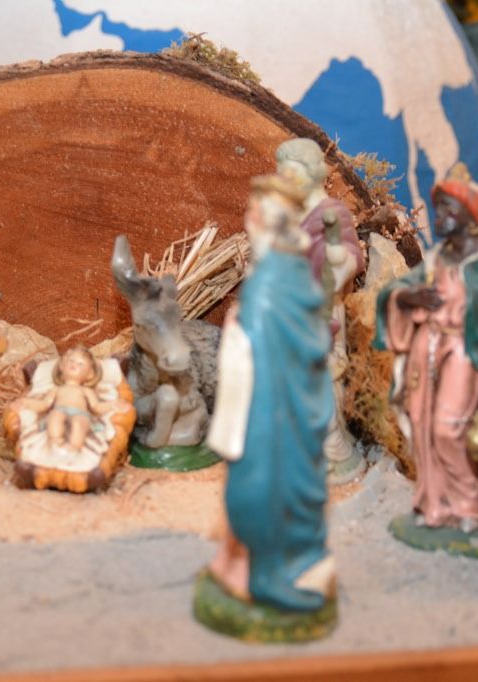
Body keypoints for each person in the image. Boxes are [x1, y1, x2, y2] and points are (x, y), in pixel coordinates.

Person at [205, 173, 336, 615]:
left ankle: (266, 575)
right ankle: (242, 562)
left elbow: (262, 344)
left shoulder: (269, 284)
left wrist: (236, 330)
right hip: (290, 403)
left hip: (268, 410)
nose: (247, 219)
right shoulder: (293, 271)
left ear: (264, 220)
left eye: (252, 213)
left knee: (257, 486)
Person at [373, 164, 478, 537]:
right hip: (425, 351)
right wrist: (409, 296)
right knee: (423, 426)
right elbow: (396, 292)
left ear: (471, 220)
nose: (439, 216)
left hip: (460, 355)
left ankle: (469, 507)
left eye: (448, 210)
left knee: (448, 429)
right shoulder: (438, 259)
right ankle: (435, 505)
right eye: (438, 208)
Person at [275, 138, 367, 484]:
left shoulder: (333, 212)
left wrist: (340, 263)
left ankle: (333, 448)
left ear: (312, 172)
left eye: (291, 174)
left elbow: (352, 254)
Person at [21, 346, 116, 452]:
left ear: (90, 374)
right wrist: (27, 403)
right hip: (60, 410)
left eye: (80, 364)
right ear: (62, 366)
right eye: (71, 361)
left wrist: (112, 405)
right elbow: (44, 404)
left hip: (80, 413)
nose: (74, 364)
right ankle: (55, 442)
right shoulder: (57, 389)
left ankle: (74, 447)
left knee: (79, 423)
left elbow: (96, 406)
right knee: (54, 417)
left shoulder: (86, 390)